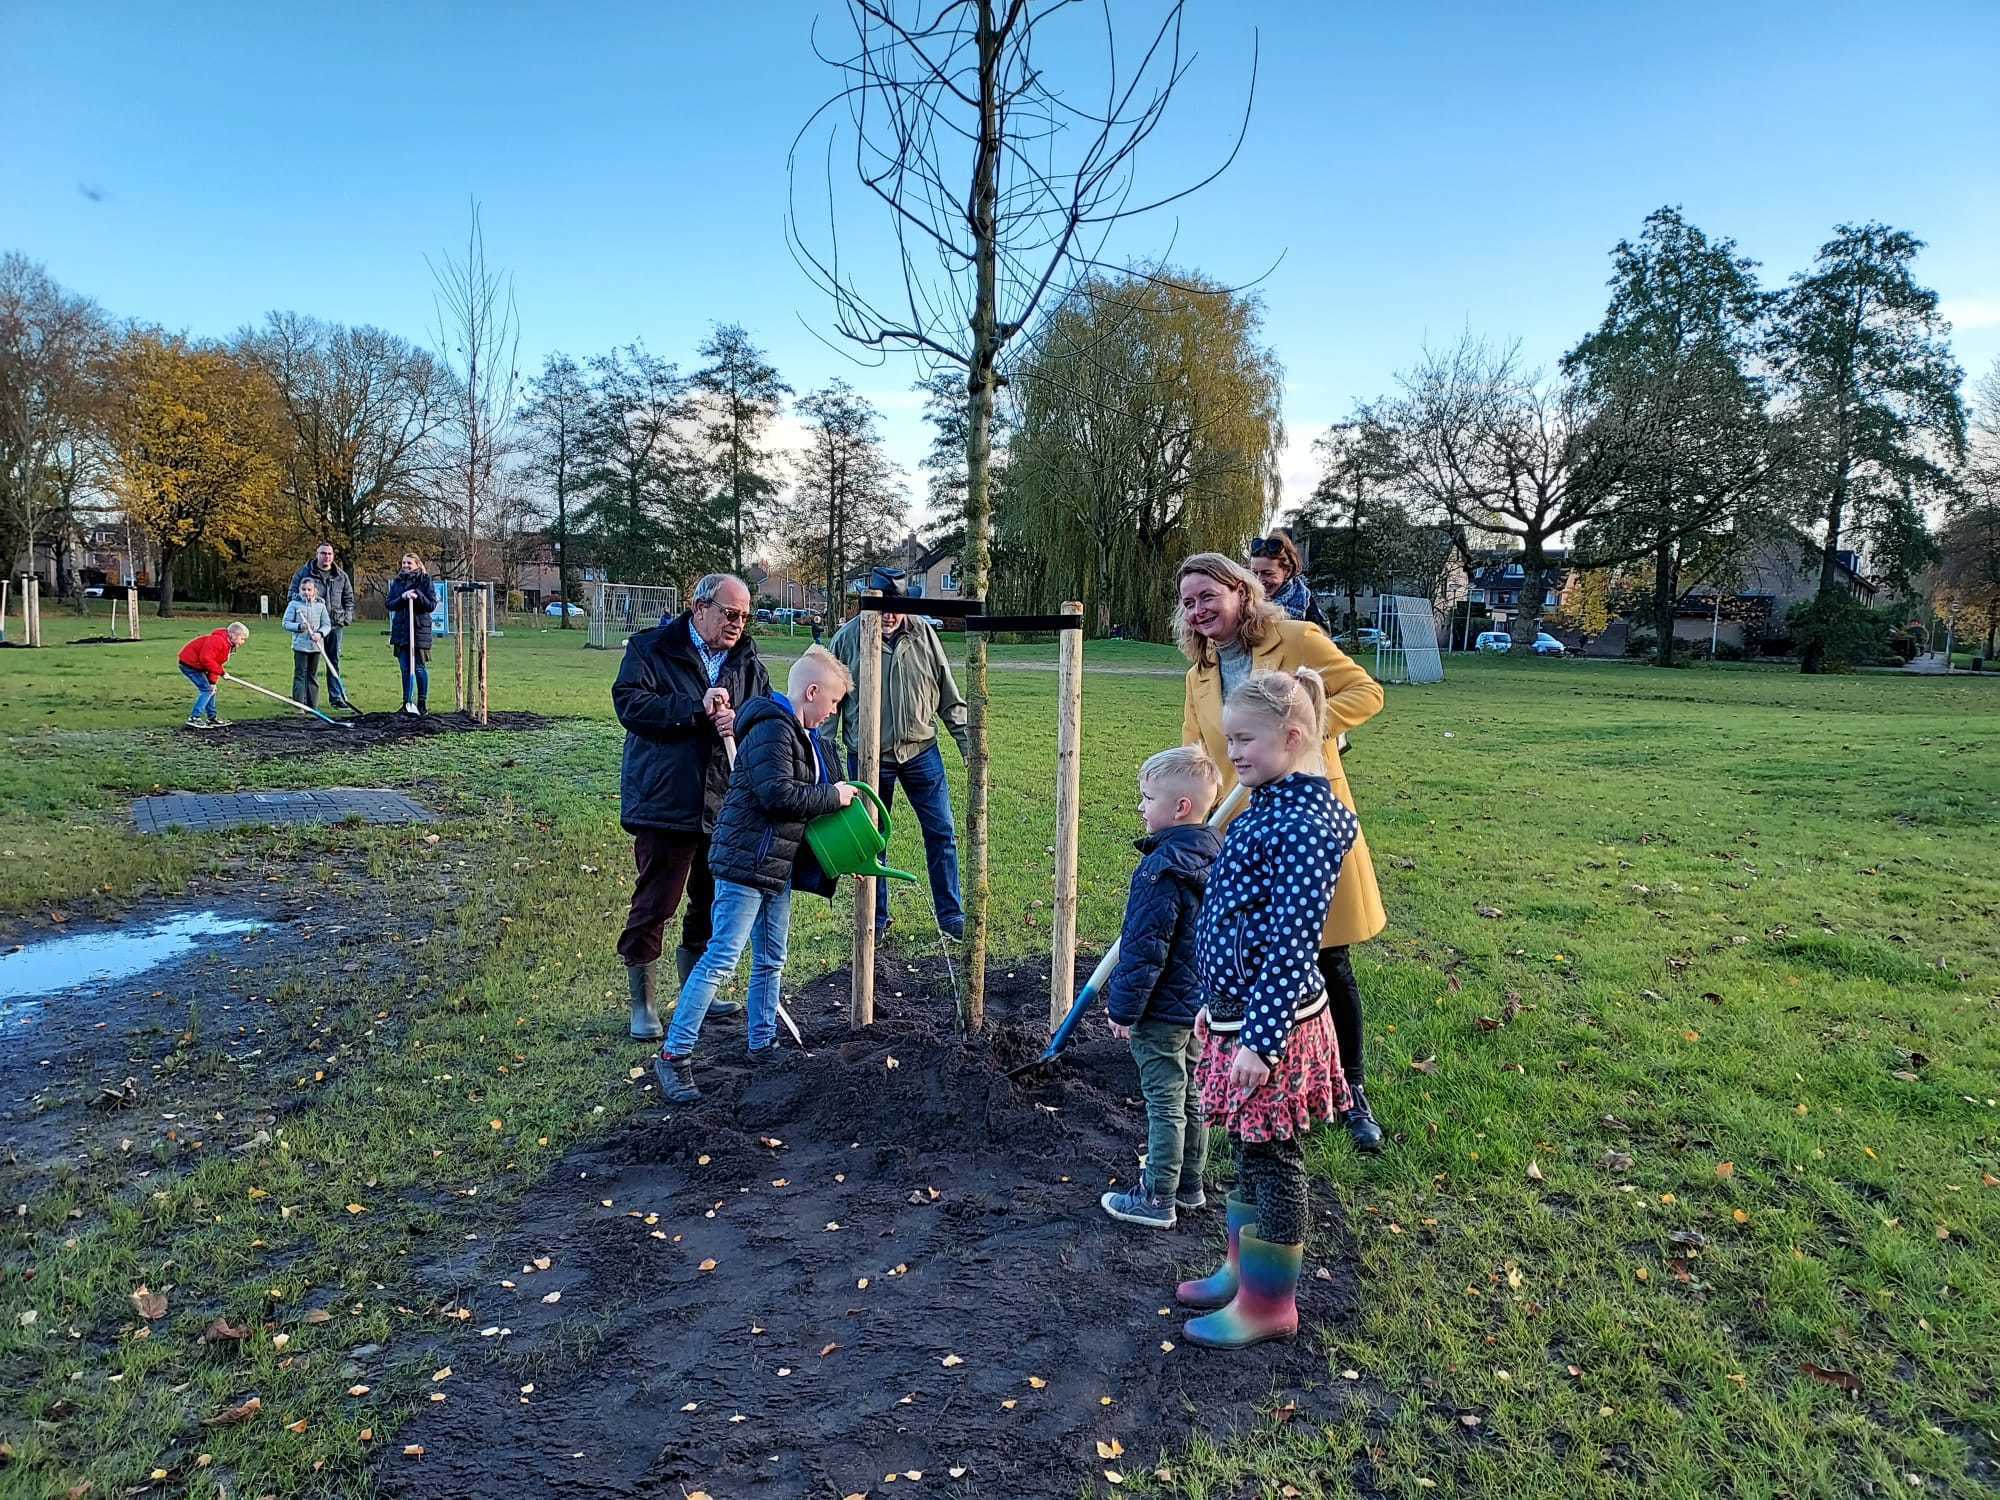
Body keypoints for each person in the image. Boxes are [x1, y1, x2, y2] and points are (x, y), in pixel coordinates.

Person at [1177, 552, 1388, 1152]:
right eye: (1188, 603)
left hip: (1297, 819)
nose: (1198, 611)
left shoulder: (1295, 639)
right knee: (1255, 957)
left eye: (1207, 596)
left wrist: (1302, 736)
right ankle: (1262, 1063)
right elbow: (1197, 747)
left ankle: (1351, 1090)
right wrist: (1186, 812)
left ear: (1241, 592)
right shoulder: (1200, 675)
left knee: (1324, 956)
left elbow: (1365, 691)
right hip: (1241, 834)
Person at [1177, 667, 1356, 1350]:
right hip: (1238, 1011)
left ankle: (1269, 1303)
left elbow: (1289, 944)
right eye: (1231, 740)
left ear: (1294, 735)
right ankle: (1239, 1272)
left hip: (1271, 1025)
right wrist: (1214, 1003)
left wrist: (1259, 1040)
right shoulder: (1273, 804)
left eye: (1245, 740)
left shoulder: (1306, 827)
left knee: (1274, 1156)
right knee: (1249, 1147)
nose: (1234, 754)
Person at [654, 648, 856, 1102]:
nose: (834, 712)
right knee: (722, 960)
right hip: (746, 864)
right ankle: (674, 1055)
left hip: (776, 868)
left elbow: (826, 796)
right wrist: (833, 795)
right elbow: (778, 796)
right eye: (835, 702)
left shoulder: (808, 737)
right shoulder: (771, 730)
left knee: (771, 960)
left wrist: (849, 852)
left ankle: (762, 1042)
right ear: (811, 692)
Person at [614, 573, 769, 1038]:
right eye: (729, 613)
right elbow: (630, 706)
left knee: (709, 899)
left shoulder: (747, 661)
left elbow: (762, 717)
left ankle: (694, 989)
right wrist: (695, 708)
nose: (738, 624)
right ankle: (643, 1003)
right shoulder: (651, 649)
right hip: (666, 800)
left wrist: (737, 719)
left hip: (723, 803)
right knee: (656, 901)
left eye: (744, 615)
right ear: (699, 607)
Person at [1098, 745, 1223, 1230]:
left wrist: (1124, 1010)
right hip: (1197, 1006)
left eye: (1146, 798)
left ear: (1180, 808)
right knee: (1191, 1094)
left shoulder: (1159, 871)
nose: (1140, 807)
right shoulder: (1213, 855)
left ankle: (1157, 1198)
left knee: (1164, 1101)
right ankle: (1191, 1185)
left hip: (1161, 1011)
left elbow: (1144, 949)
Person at [830, 568, 970, 940]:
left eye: (897, 607)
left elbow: (948, 696)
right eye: (882, 607)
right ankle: (875, 919)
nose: (889, 615)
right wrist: (828, 766)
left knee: (942, 833)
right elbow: (828, 709)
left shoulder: (924, 634)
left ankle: (951, 917)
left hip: (922, 753)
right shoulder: (847, 640)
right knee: (872, 843)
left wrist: (970, 749)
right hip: (869, 759)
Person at [289, 543, 356, 708]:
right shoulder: (304, 573)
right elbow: (292, 594)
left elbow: (348, 598)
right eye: (323, 553)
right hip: (312, 627)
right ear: (317, 554)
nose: (327, 557)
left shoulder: (341, 576)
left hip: (334, 624)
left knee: (333, 660)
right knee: (308, 664)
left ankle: (336, 698)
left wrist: (346, 617)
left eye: (329, 554)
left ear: (333, 556)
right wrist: (302, 612)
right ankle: (303, 701)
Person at [1247, 532, 1331, 635]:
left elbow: (1322, 644)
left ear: (1287, 572)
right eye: (1254, 573)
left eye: (1268, 573)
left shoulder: (1306, 604)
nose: (1259, 580)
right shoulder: (1244, 601)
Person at [386, 553, 438, 715]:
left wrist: (417, 595)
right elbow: (389, 603)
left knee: (419, 668)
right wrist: (403, 597)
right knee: (405, 668)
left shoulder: (424, 580)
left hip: (419, 631)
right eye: (403, 562)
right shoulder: (398, 581)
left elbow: (430, 605)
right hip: (401, 631)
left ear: (417, 564)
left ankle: (421, 703)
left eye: (409, 563)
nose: (406, 565)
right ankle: (407, 702)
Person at [176, 621, 249, 728]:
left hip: (200, 666)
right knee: (207, 690)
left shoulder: (228, 645)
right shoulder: (217, 641)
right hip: (189, 664)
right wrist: (222, 672)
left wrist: (212, 681)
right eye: (242, 639)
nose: (243, 642)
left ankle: (212, 718)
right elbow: (206, 659)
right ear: (233, 635)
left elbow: (216, 663)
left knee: (211, 688)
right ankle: (194, 718)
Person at [283, 578, 333, 709]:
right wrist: (299, 626)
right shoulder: (294, 605)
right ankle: (299, 705)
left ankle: (313, 706)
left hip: (316, 647)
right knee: (300, 675)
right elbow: (286, 623)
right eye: (303, 589)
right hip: (300, 646)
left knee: (313, 675)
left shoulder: (320, 606)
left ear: (314, 591)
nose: (306, 592)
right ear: (299, 591)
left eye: (309, 590)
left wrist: (320, 634)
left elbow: (327, 625)